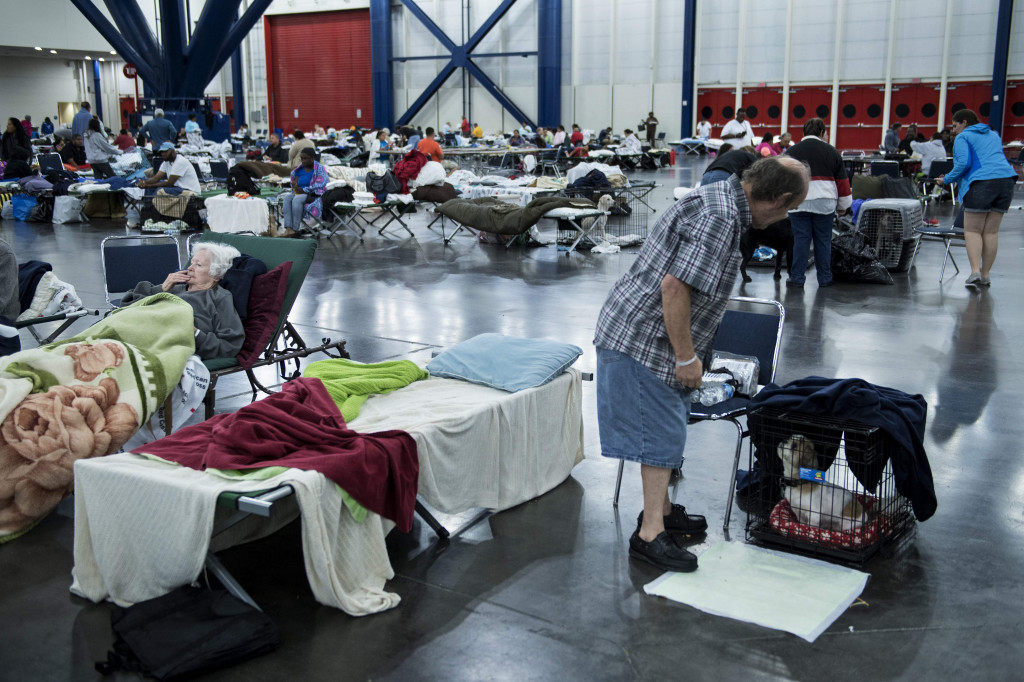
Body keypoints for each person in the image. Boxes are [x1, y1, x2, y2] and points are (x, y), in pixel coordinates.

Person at [593, 156, 809, 572]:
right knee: (660, 436)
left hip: (645, 332)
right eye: (788, 208)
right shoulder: (720, 217)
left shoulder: (721, 198)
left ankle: (663, 510)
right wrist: (687, 357)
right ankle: (650, 534)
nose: (785, 217)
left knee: (666, 428)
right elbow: (674, 288)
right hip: (645, 339)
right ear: (778, 198)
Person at [120, 243, 245, 360]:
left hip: (160, 347)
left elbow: (230, 346)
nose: (190, 268)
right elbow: (126, 306)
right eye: (191, 263)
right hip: (135, 331)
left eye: (199, 265)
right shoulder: (174, 287)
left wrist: (195, 333)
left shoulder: (219, 298)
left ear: (216, 274)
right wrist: (161, 288)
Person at [937, 108, 1017, 287]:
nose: (953, 130)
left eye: (955, 125)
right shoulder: (994, 135)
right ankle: (986, 274)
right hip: (1006, 182)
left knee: (972, 231)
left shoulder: (963, 138)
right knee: (991, 232)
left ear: (964, 122)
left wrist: (946, 180)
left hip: (982, 183)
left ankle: (974, 272)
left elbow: (964, 163)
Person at [784, 117, 851, 289]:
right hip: (824, 202)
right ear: (822, 133)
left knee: (801, 240)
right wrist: (843, 206)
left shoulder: (791, 152)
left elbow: (782, 180)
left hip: (799, 201)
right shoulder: (832, 152)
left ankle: (797, 278)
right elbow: (842, 182)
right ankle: (825, 278)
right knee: (823, 240)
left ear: (803, 133)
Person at [282, 146, 328, 233]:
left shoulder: (320, 169)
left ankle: (295, 229)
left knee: (297, 199)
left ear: (312, 158)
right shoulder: (299, 170)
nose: (303, 161)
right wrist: (295, 186)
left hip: (313, 194)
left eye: (305, 158)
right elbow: (295, 181)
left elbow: (321, 184)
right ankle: (288, 227)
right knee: (287, 198)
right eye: (301, 158)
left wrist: (304, 190)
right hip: (299, 192)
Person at [137, 141, 201, 195]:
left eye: (165, 151)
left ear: (172, 151)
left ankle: (154, 209)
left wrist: (149, 185)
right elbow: (156, 178)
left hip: (188, 189)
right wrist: (144, 183)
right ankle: (147, 207)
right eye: (162, 152)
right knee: (150, 188)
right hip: (177, 187)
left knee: (159, 190)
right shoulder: (166, 162)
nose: (163, 154)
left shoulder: (180, 161)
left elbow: (170, 183)